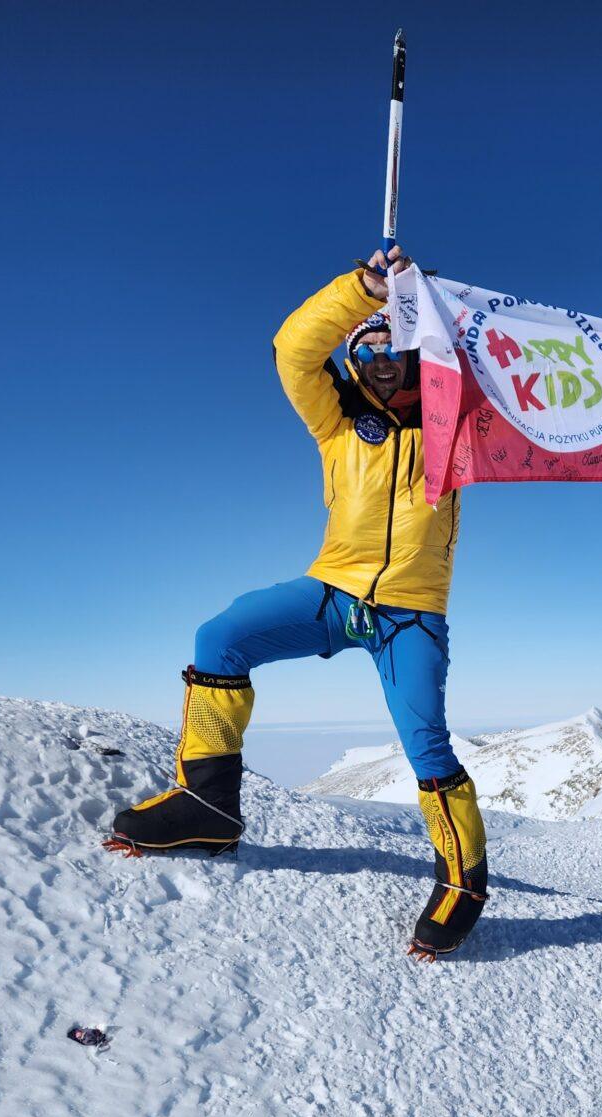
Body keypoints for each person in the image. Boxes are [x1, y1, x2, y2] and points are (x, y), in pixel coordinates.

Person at [106, 245, 488, 960]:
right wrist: (366, 289)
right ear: (353, 358)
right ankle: (208, 806)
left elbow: (525, 387)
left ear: (412, 355)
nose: (381, 358)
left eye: (394, 345)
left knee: (426, 743)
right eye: (366, 346)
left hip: (410, 611)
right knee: (220, 638)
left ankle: (463, 885)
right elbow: (291, 349)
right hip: (333, 590)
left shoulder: (455, 426)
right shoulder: (338, 423)